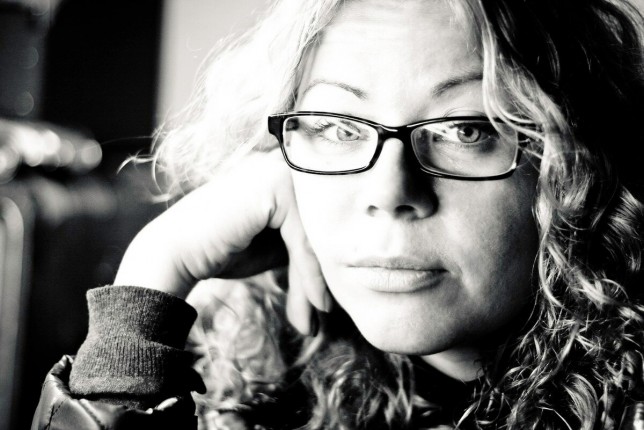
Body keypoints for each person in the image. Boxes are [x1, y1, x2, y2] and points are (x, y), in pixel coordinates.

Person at [32, 0, 644, 429]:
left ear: (574, 166)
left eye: (466, 129)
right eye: (337, 127)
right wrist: (154, 270)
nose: (390, 190)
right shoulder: (253, 383)